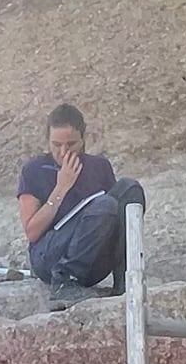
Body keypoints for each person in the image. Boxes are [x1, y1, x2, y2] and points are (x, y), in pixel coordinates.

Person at [16, 103, 143, 294]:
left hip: (92, 257)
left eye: (71, 144)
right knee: (105, 204)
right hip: (50, 256)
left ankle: (125, 280)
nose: (63, 152)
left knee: (130, 189)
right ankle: (64, 282)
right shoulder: (34, 170)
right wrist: (61, 188)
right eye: (56, 145)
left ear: (83, 139)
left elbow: (117, 223)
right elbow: (32, 232)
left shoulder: (99, 166)